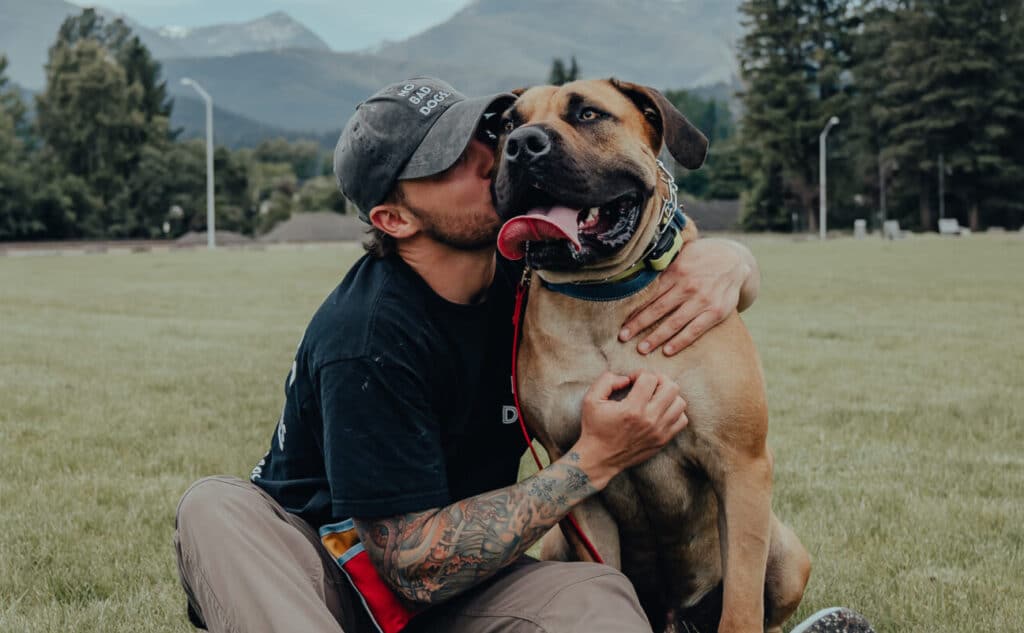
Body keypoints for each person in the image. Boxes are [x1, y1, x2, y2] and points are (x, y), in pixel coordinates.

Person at [173, 77, 873, 633]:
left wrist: (732, 259)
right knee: (215, 507)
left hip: (466, 594)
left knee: (598, 598)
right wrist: (592, 459)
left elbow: (644, 253)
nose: (498, 155)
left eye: (490, 135)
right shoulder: (366, 338)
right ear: (394, 217)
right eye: (446, 160)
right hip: (326, 583)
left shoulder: (535, 278)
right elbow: (411, 567)